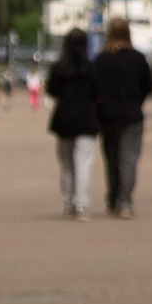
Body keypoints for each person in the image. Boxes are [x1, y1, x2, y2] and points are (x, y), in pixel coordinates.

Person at [91, 14, 152, 215]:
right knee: (129, 158)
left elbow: (94, 88)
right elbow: (148, 85)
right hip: (132, 114)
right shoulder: (138, 58)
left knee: (112, 159)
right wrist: (137, 100)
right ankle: (125, 200)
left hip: (107, 116)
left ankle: (113, 197)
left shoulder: (101, 59)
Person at [46, 26, 101, 214]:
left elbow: (51, 90)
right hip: (86, 118)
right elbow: (98, 92)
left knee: (66, 162)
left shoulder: (59, 68)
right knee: (83, 162)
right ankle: (82, 203)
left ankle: (69, 199)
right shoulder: (92, 68)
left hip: (64, 118)